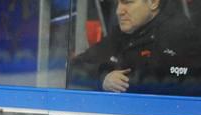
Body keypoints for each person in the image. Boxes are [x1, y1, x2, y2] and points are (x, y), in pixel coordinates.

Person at [68, 0, 201, 95]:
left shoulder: (181, 36)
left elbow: (188, 83)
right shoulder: (120, 35)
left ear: (153, 3)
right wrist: (103, 78)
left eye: (128, 2)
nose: (119, 11)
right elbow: (74, 68)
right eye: (118, 3)